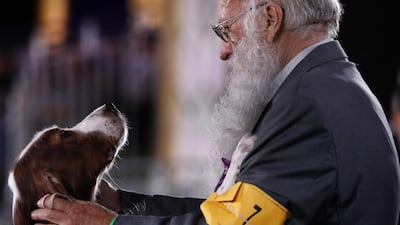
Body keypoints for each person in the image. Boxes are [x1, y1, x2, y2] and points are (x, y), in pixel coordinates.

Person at [31, 0, 400, 224]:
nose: (224, 51)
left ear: (270, 19)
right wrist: (122, 206)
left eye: (227, 31)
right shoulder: (324, 87)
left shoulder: (307, 109)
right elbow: (228, 215)